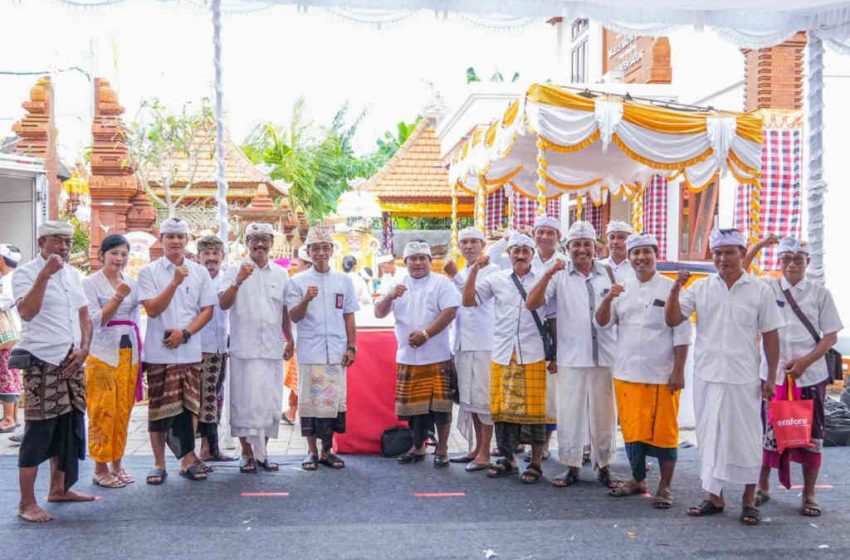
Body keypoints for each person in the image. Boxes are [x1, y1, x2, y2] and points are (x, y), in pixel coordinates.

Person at [665, 227, 783, 526]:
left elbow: (771, 335)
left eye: (729, 252)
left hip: (744, 377)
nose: (722, 258)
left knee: (746, 439)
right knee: (710, 437)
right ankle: (714, 496)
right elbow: (673, 318)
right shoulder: (701, 287)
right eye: (717, 253)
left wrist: (770, 376)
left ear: (743, 254)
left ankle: (747, 500)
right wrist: (675, 288)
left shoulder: (760, 289)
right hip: (707, 375)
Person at [595, 233, 691, 507]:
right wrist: (607, 299)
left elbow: (682, 335)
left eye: (646, 252)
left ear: (655, 255)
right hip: (627, 373)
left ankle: (665, 486)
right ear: (629, 257)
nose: (640, 258)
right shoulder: (622, 288)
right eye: (635, 253)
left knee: (665, 433)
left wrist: (679, 371)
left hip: (662, 374)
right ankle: (638, 479)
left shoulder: (671, 288)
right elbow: (602, 323)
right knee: (632, 432)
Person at [526, 220, 620, 489]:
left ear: (595, 248)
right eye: (576, 245)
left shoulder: (608, 273)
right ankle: (571, 466)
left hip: (604, 355)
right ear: (567, 248)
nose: (582, 250)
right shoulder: (558, 274)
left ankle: (605, 466)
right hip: (571, 355)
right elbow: (532, 304)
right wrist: (546, 274)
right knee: (570, 413)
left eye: (587, 245)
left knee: (605, 414)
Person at [754, 237, 842, 517]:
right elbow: (742, 272)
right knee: (768, 432)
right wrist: (760, 246)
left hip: (810, 376)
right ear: (778, 262)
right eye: (786, 259)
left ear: (808, 262)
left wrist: (804, 362)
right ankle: (762, 487)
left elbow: (829, 336)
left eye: (798, 259)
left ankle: (809, 493)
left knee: (811, 434)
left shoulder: (820, 294)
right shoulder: (767, 287)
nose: (792, 264)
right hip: (774, 376)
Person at [13, 221, 93, 522]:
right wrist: (45, 275)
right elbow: (26, 312)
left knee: (68, 427)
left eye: (67, 242)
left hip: (72, 360)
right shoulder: (25, 273)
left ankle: (58, 489)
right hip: (41, 360)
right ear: (41, 243)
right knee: (39, 430)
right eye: (57, 241)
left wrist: (84, 348)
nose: (63, 248)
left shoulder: (74, 275)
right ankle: (26, 503)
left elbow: (85, 315)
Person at [463, 233, 551, 483]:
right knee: (502, 411)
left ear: (533, 254)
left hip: (532, 351)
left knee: (534, 410)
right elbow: (469, 301)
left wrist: (553, 353)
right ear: (509, 254)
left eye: (525, 250)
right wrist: (473, 271)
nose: (520, 255)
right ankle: (507, 459)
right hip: (502, 351)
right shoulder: (496, 279)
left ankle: (535, 462)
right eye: (515, 250)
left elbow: (552, 315)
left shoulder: (545, 277)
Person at [137, 217, 215, 484]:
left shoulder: (200, 272)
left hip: (190, 350)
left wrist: (186, 333)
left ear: (186, 241)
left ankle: (187, 459)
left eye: (180, 237)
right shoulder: (148, 273)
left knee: (189, 408)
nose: (175, 241)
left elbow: (208, 310)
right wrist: (174, 283)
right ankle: (158, 464)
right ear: (161, 240)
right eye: (170, 236)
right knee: (158, 410)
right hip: (159, 353)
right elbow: (152, 309)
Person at [374, 241, 458, 467]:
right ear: (406, 262)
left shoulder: (441, 283)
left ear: (430, 262)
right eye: (413, 258)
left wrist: (426, 333)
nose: (418, 263)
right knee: (412, 408)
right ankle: (418, 447)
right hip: (407, 356)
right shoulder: (396, 283)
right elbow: (379, 312)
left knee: (440, 407)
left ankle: (442, 449)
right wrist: (390, 296)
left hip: (436, 354)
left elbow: (450, 312)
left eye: (423, 258)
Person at [220, 222, 294, 474]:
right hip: (244, 349)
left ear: (272, 243)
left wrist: (290, 339)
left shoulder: (281, 274)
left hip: (271, 348)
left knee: (268, 402)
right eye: (254, 239)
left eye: (264, 239)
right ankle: (246, 453)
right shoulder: (233, 270)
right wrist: (238, 282)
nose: (260, 244)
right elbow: (222, 303)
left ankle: (264, 453)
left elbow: (284, 310)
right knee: (244, 403)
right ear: (247, 242)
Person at [287, 228, 358, 470]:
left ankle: (327, 451)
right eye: (315, 248)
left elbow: (349, 315)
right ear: (308, 252)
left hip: (336, 352)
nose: (320, 253)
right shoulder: (297, 282)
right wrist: (305, 300)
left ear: (332, 251)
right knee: (309, 404)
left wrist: (352, 347)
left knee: (332, 404)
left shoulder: (344, 281)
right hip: (311, 352)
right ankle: (310, 451)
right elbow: (293, 317)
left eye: (325, 248)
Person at [83, 234, 142, 489]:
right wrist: (117, 297)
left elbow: (138, 317)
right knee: (102, 409)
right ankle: (100, 466)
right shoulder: (90, 284)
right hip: (101, 352)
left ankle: (118, 462)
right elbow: (92, 321)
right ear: (101, 255)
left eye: (123, 254)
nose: (119, 259)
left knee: (123, 409)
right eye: (114, 253)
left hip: (129, 351)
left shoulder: (133, 282)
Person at [443, 227, 497, 471]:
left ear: (483, 244)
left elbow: (472, 298)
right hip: (463, 343)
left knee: (484, 400)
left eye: (473, 242)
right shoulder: (464, 270)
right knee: (470, 400)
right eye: (464, 243)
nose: (468, 247)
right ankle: (476, 448)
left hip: (484, 344)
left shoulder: (493, 271)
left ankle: (485, 451)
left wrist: (454, 276)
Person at [195, 235, 235, 462]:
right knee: (204, 399)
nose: (211, 259)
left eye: (215, 254)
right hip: (201, 347)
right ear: (198, 257)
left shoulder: (226, 279)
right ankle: (204, 449)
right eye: (206, 254)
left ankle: (211, 448)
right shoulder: (193, 278)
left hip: (222, 347)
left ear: (222, 256)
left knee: (216, 397)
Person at [283, 246, 313, 426]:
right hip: (297, 338)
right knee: (297, 378)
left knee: (301, 380)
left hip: (305, 340)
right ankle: (292, 411)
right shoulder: (295, 281)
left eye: (299, 262)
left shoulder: (296, 280)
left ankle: (294, 412)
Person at [0, 243, 23, 435]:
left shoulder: (8, 280)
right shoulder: (16, 277)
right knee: (11, 373)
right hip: (16, 334)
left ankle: (8, 418)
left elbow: (4, 302)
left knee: (6, 373)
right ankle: (12, 417)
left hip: (9, 335)